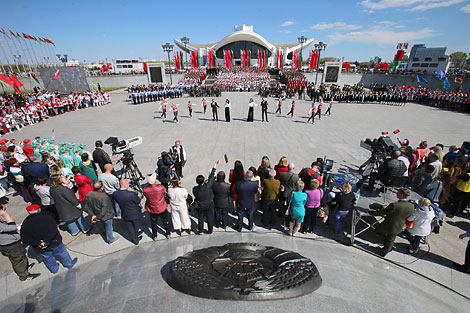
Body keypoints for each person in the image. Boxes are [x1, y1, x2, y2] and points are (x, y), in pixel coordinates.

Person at [20, 204, 77, 274]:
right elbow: (53, 230)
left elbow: (25, 239)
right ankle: (69, 264)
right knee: (61, 253)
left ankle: (54, 269)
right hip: (54, 241)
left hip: (40, 246)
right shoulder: (47, 217)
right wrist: (46, 241)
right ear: (39, 210)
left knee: (47, 258)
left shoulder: (25, 224)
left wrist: (39, 243)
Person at [0, 198, 40, 281]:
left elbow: (10, 224)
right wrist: (5, 215)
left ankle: (25, 267)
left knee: (21, 255)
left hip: (13, 241)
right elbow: (10, 227)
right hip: (9, 244)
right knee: (17, 260)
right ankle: (24, 275)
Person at [366, 188, 414, 257]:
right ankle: (387, 248)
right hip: (399, 225)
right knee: (391, 239)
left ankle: (386, 249)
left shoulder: (395, 205)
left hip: (389, 224)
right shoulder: (411, 206)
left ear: (402, 195)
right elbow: (408, 216)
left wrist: (370, 212)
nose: (396, 193)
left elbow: (382, 212)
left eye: (398, 193)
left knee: (379, 233)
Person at [112, 179, 142, 245]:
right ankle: (136, 234)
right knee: (136, 225)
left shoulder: (115, 194)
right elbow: (138, 201)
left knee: (130, 227)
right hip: (134, 213)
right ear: (125, 185)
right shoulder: (131, 194)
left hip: (125, 213)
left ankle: (135, 239)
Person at [193, 161, 218, 234]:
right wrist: (215, 165)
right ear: (203, 181)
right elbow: (212, 177)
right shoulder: (208, 186)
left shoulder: (195, 189)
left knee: (200, 218)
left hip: (200, 206)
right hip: (209, 205)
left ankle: (201, 230)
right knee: (210, 218)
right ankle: (210, 230)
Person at [143, 173, 171, 239]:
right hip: (161, 207)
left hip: (152, 208)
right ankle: (168, 233)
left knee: (153, 223)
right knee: (165, 221)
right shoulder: (161, 188)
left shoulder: (145, 190)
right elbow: (164, 191)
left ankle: (154, 235)